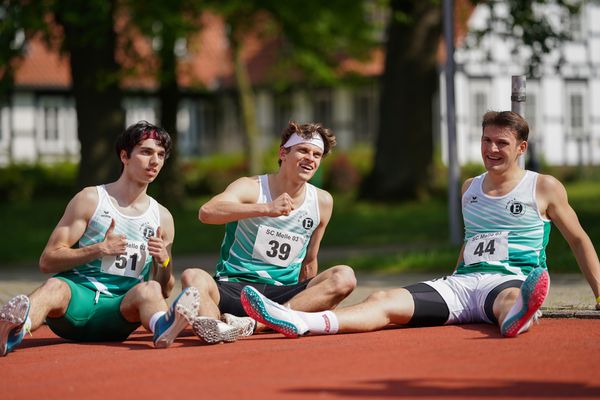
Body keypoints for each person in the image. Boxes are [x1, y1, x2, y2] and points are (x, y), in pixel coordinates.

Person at [240, 111, 600, 338]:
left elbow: (579, 240)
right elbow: (474, 240)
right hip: (462, 283)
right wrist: (455, 277)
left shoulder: (544, 186)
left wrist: (599, 293)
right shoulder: (469, 188)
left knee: (509, 299)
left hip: (511, 278)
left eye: (501, 143)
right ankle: (300, 321)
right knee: (383, 299)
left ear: (521, 147)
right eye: (486, 140)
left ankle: (518, 314)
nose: (491, 149)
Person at [0, 121, 199, 357]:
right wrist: (99, 249)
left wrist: (164, 262)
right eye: (146, 152)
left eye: (160, 155)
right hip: (76, 304)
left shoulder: (162, 218)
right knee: (55, 286)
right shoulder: (91, 199)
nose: (154, 161)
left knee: (151, 288)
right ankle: (13, 331)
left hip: (120, 312)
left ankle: (163, 327)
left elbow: (165, 289)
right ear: (124, 156)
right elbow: (47, 261)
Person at [181, 121, 357, 343]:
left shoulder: (322, 201)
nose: (310, 158)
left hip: (281, 297)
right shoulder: (252, 187)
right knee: (191, 276)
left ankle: (255, 324)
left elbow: (310, 262)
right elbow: (207, 212)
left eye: (317, 154)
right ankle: (216, 325)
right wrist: (265, 208)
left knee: (344, 276)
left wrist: (316, 299)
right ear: (283, 153)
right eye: (303, 150)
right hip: (234, 288)